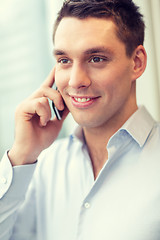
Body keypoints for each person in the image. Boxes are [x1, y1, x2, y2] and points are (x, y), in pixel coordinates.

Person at [0, 0, 160, 239]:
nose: (75, 81)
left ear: (136, 62)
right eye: (64, 60)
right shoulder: (40, 166)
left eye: (96, 58)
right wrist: (22, 154)